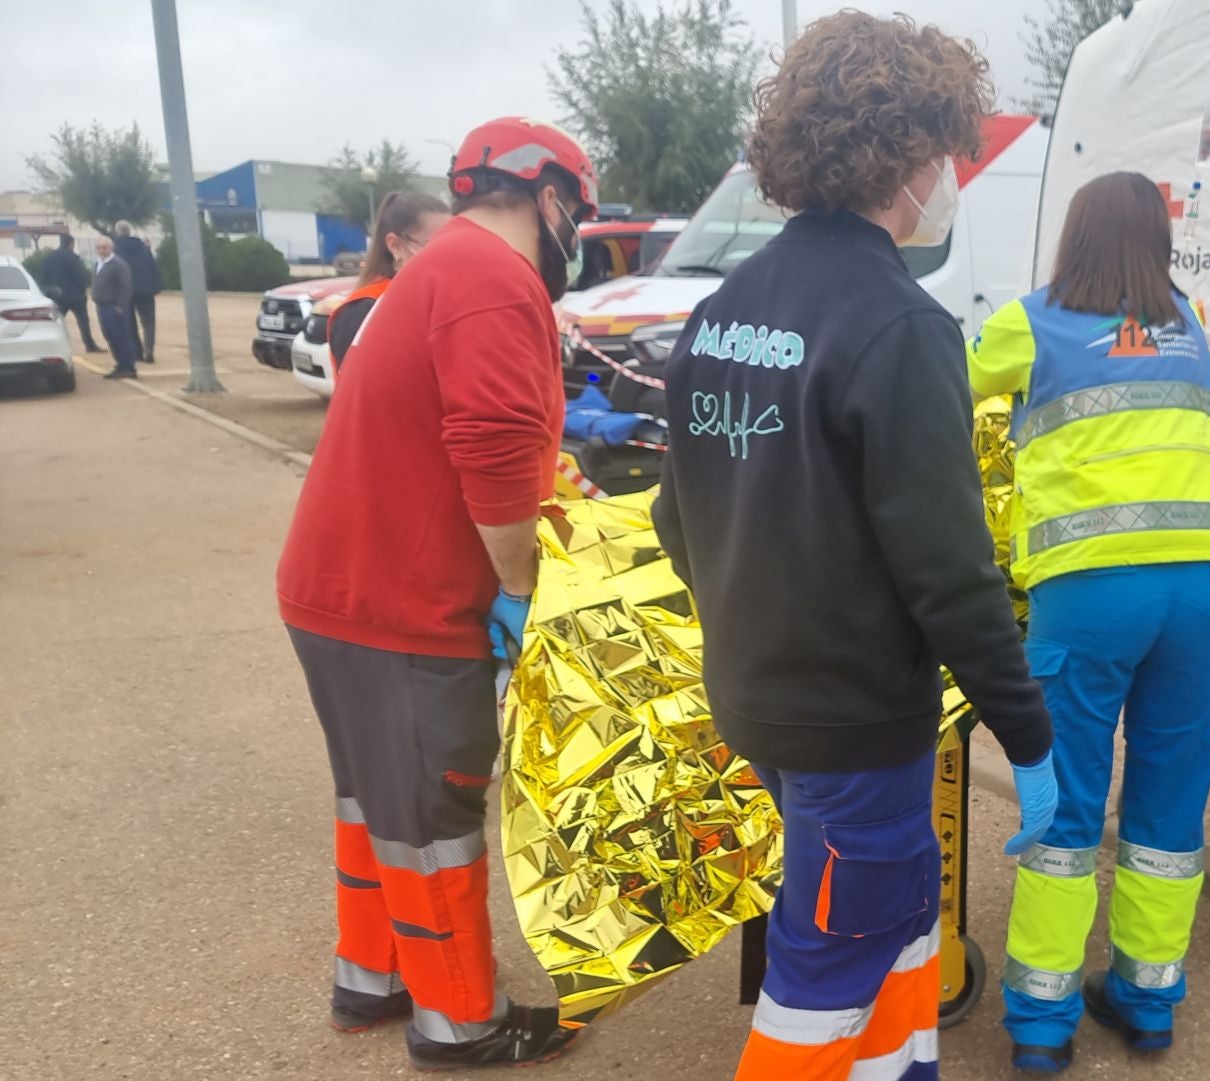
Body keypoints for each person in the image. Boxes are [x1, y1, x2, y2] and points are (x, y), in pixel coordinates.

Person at [651, 15, 1056, 1081]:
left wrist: (760, 617)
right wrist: (1031, 737)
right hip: (855, 719)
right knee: (828, 960)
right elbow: (951, 572)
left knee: (892, 929)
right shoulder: (900, 326)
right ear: (911, 156)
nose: (953, 174)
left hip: (764, 699)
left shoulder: (722, 312)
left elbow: (676, 519)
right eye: (949, 153)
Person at [276, 116, 596, 1071]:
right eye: (577, 209)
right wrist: (523, 588)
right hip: (407, 607)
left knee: (373, 799)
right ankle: (460, 1021)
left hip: (338, 593)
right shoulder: (497, 281)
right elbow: (493, 452)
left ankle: (370, 976)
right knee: (432, 815)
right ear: (550, 199)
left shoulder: (442, 266)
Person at [969, 172, 1210, 1072]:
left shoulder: (1032, 319)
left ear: (1074, 236)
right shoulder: (1192, 323)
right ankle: (1148, 997)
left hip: (1091, 592)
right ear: (1159, 240)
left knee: (1067, 807)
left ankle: (1044, 1025)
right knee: (1170, 801)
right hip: (1202, 591)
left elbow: (939, 393)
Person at [327, 191, 451, 374]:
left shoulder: (430, 300)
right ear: (395, 245)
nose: (445, 254)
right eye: (434, 244)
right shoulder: (363, 309)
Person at [40, 235, 100, 352]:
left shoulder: (49, 257)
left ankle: (53, 346)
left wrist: (49, 292)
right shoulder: (73, 257)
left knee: (56, 322)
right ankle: (89, 345)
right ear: (71, 243)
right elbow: (80, 276)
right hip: (76, 296)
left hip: (58, 296)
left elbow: (44, 278)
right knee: (83, 322)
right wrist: (82, 289)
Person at [113, 221, 161, 364]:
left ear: (117, 232)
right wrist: (155, 286)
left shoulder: (115, 250)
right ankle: (149, 351)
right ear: (130, 231)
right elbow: (153, 268)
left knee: (130, 323)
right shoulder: (143, 247)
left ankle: (137, 352)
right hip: (145, 290)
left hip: (125, 291)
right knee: (148, 322)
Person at [91, 236, 138, 379]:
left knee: (121, 336)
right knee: (110, 336)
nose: (101, 251)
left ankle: (129, 367)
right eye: (99, 248)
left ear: (111, 248)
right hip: (102, 306)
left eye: (104, 248)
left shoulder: (118, 264)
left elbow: (126, 286)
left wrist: (120, 306)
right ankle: (120, 364)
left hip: (114, 307)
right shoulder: (97, 264)